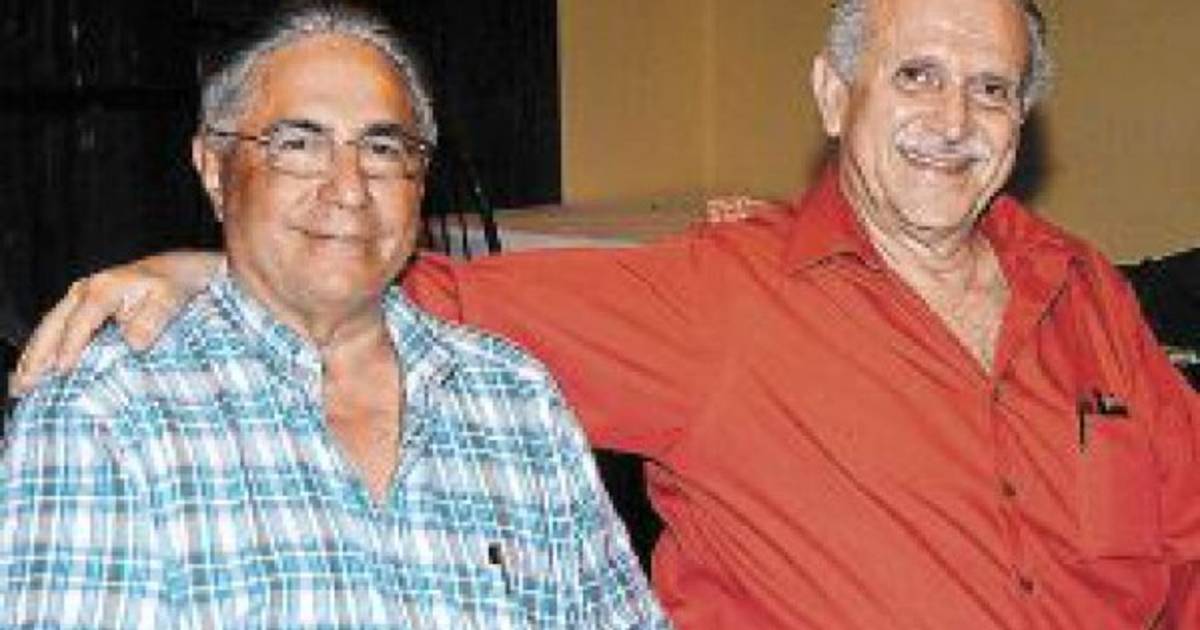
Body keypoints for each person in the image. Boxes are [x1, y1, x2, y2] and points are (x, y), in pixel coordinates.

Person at [12, 0, 1200, 626]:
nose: (953, 118)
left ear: (1021, 119)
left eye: (991, 87)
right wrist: (203, 269)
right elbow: (397, 288)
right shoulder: (715, 301)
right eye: (916, 75)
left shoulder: (1087, 292)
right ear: (836, 94)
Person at [0, 5, 667, 628]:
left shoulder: (516, 400)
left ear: (419, 181)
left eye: (382, 148)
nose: (349, 189)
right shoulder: (107, 413)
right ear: (214, 169)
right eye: (299, 143)